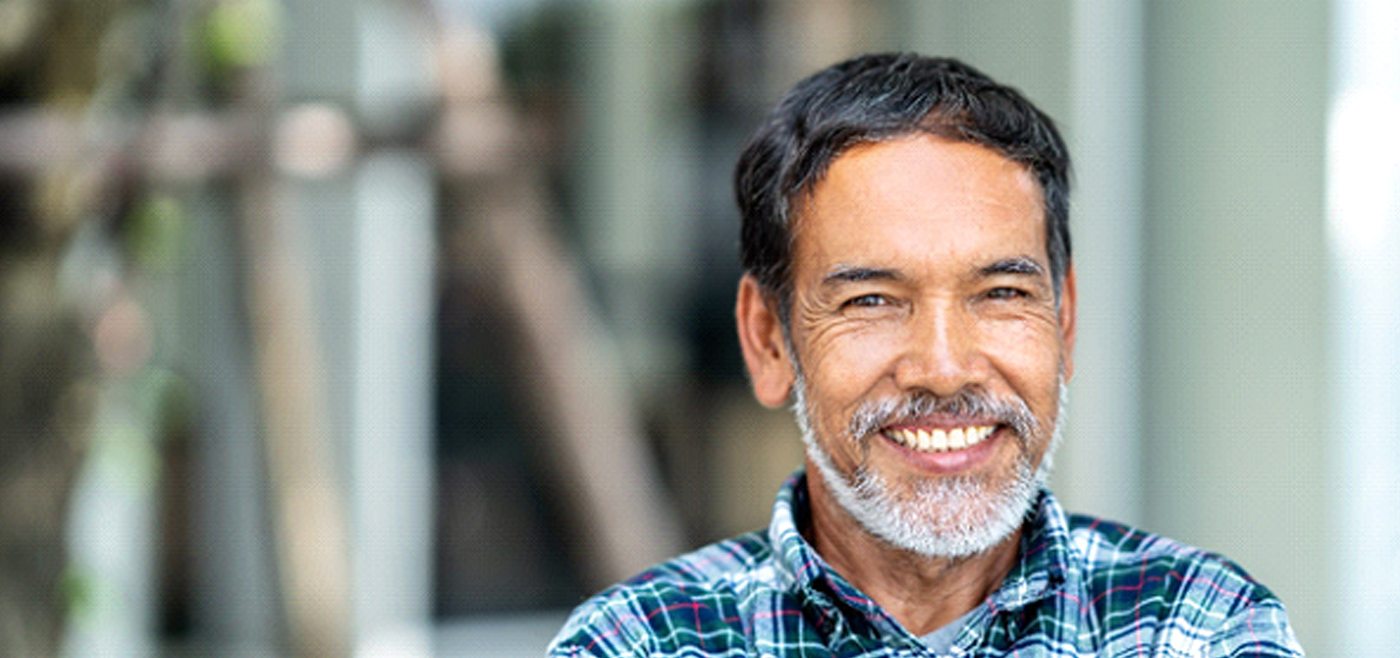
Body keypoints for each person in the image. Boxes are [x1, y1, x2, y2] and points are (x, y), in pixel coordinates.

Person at [549, 53, 1303, 657]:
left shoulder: (1200, 629)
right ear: (769, 339)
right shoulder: (639, 644)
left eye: (1002, 293)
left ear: (1064, 321)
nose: (944, 368)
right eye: (871, 300)